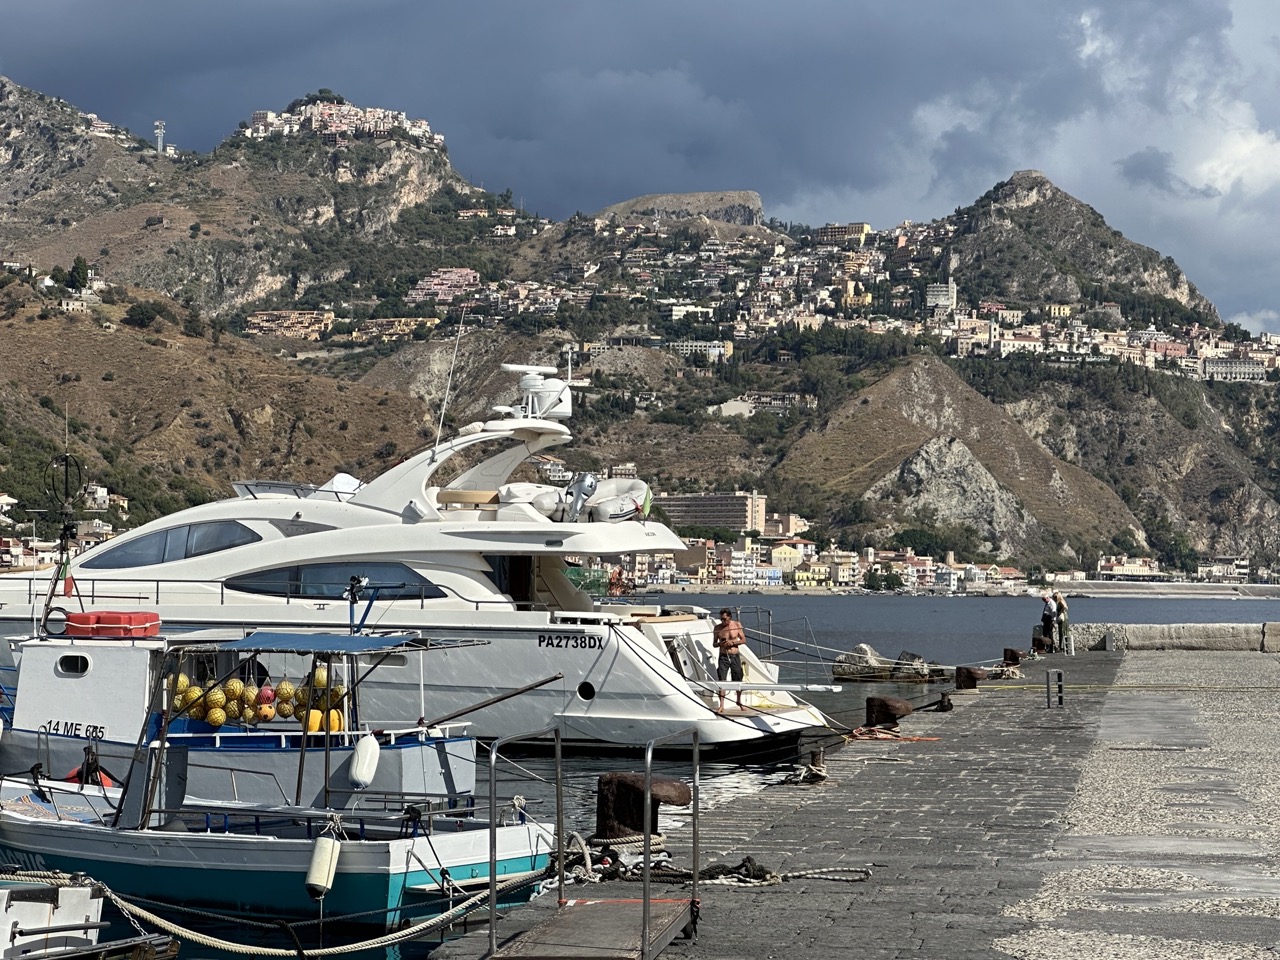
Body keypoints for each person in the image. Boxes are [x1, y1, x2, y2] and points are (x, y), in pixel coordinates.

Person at [713, 608, 746, 713]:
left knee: (737, 678)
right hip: (723, 656)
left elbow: (743, 640)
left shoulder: (736, 625)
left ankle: (739, 701)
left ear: (730, 617)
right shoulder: (717, 628)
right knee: (722, 680)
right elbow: (714, 644)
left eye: (724, 619)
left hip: (734, 655)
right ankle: (721, 705)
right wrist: (720, 644)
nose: (723, 621)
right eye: (721, 619)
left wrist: (732, 642)